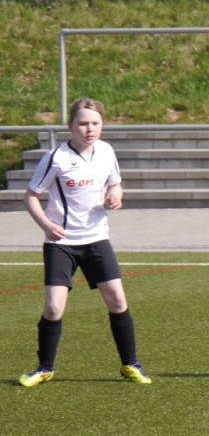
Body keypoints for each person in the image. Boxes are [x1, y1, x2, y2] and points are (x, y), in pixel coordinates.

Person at [17, 97, 152, 388]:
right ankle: (44, 368)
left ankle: (130, 364)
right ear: (70, 126)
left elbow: (115, 182)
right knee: (54, 307)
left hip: (97, 240)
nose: (89, 129)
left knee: (117, 300)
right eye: (83, 123)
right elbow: (30, 196)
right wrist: (47, 225)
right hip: (61, 244)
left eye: (95, 123)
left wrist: (116, 194)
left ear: (102, 125)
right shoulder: (56, 158)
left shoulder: (106, 151)